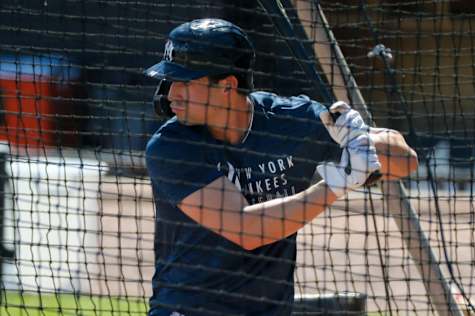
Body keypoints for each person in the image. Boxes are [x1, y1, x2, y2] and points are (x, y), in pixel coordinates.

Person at [144, 18, 418, 316]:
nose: (171, 95)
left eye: (185, 83)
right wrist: (337, 184)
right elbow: (246, 229)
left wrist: (361, 139)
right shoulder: (170, 145)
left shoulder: (287, 120)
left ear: (227, 86)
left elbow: (406, 161)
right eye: (171, 81)